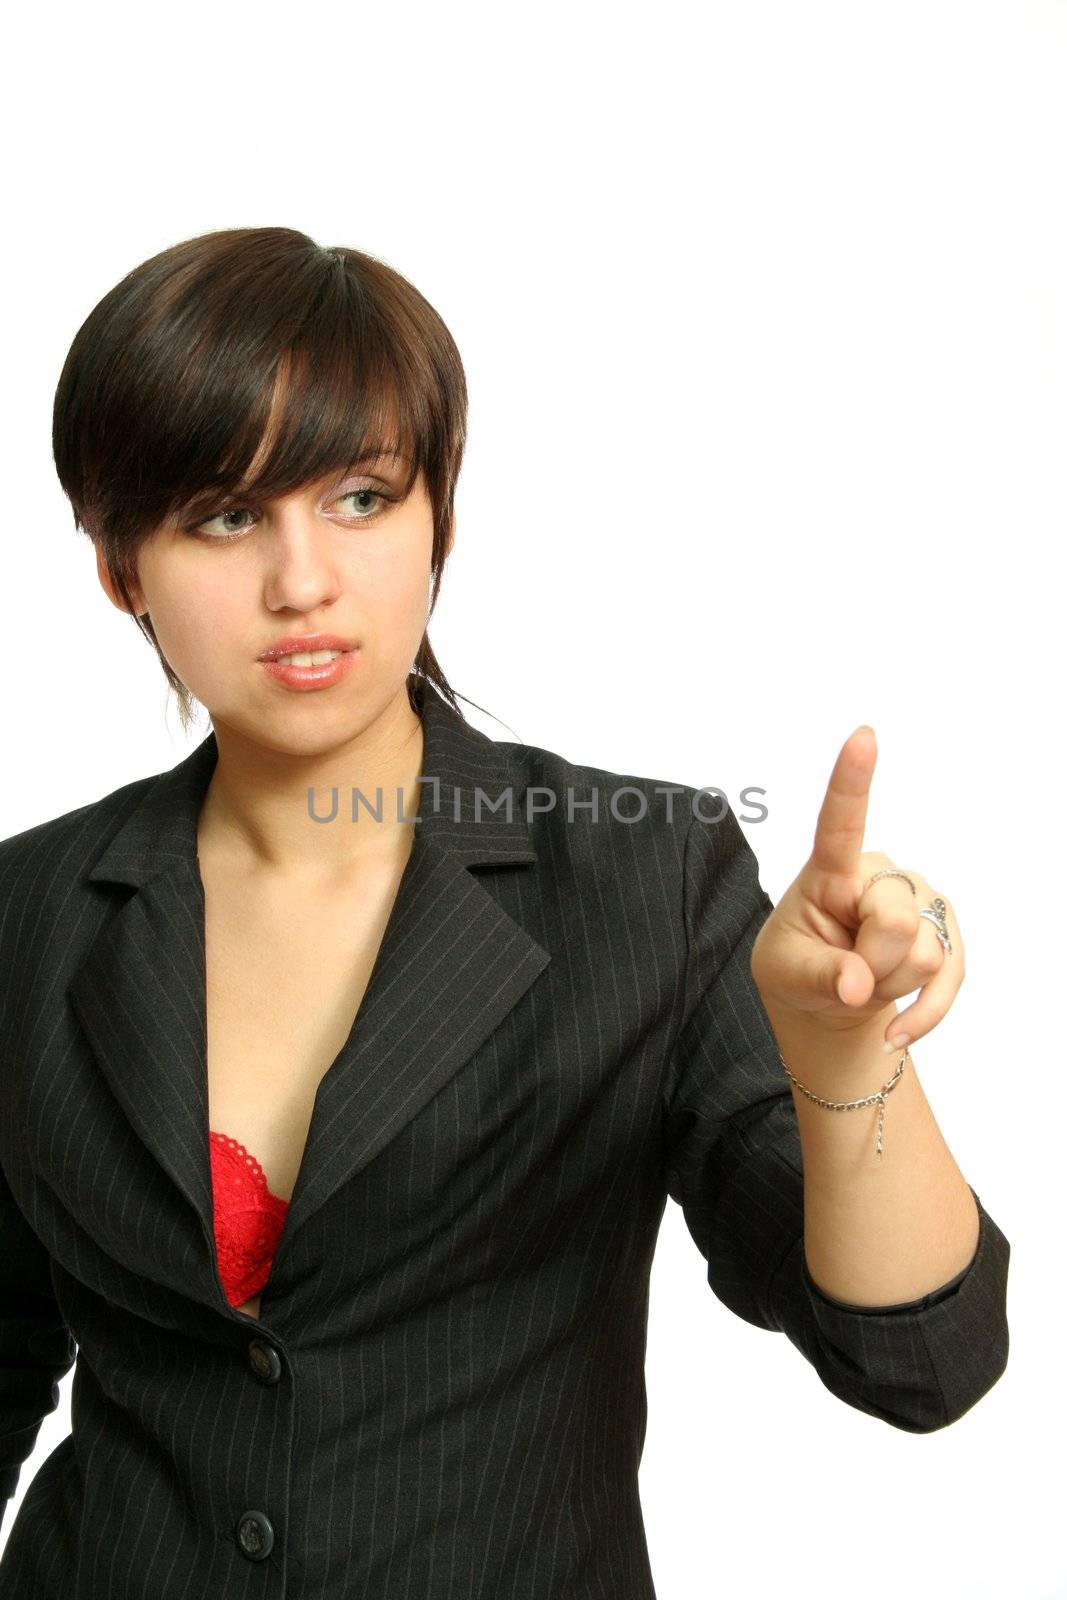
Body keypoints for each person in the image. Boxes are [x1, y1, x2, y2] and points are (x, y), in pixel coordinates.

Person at [0, 227, 1010, 1598]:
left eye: (358, 497)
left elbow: (920, 1361)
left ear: (439, 523)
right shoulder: (31, 912)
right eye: (226, 516)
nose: (303, 580)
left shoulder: (641, 879)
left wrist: (847, 1058)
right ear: (122, 566)